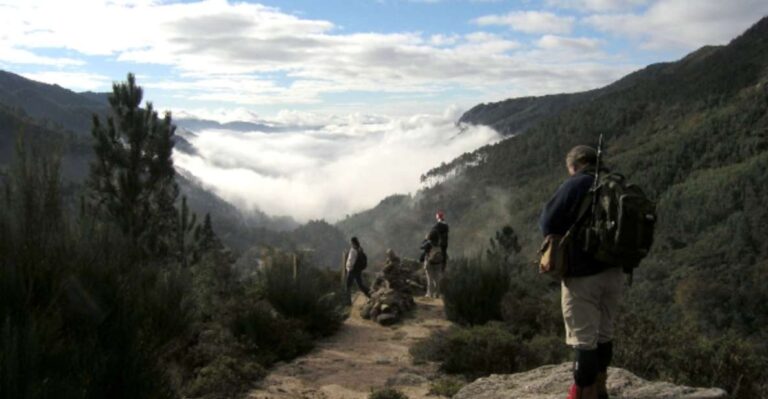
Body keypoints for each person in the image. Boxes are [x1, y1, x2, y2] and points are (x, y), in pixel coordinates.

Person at [538, 145, 623, 399]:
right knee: (605, 332)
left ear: (574, 165)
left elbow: (548, 222)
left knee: (584, 340)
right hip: (615, 269)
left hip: (583, 274)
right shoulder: (615, 184)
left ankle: (584, 393)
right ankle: (600, 387)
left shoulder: (576, 184)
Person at [423, 210, 449, 298]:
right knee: (438, 277)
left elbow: (424, 249)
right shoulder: (446, 226)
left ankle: (429, 293)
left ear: (437, 217)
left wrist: (426, 239)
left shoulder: (436, 226)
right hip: (441, 254)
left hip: (431, 259)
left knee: (430, 278)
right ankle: (437, 294)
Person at [345, 236, 371, 302]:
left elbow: (351, 261)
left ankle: (348, 302)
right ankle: (370, 295)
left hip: (352, 270)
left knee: (348, 286)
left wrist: (349, 268)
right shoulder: (359, 249)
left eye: (351, 242)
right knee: (360, 285)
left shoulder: (353, 251)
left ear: (353, 242)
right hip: (358, 270)